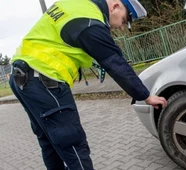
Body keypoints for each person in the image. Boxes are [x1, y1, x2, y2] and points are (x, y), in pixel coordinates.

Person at [9, 0, 167, 169]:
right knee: (73, 144)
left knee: (49, 141)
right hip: (44, 79)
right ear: (115, 6)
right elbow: (115, 63)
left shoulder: (76, 4)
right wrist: (146, 95)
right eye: (125, 20)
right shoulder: (90, 22)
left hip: (21, 77)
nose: (122, 27)